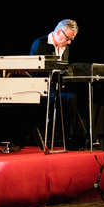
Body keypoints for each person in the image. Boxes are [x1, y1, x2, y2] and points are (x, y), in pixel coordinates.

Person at [30, 20, 82, 149]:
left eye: (71, 39)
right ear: (59, 32)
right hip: (42, 90)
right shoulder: (40, 43)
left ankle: (74, 137)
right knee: (70, 98)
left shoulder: (66, 48)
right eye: (68, 38)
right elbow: (35, 71)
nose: (69, 42)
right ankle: (71, 138)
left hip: (58, 88)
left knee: (78, 96)